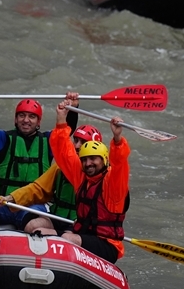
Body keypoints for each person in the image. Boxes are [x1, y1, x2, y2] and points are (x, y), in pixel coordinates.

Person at [0, 89, 78, 228]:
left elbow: (68, 129)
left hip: (32, 206)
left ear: (39, 122)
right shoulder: (3, 139)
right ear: (15, 119)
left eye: (32, 117)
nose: (26, 120)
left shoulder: (48, 141)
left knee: (35, 222)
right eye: (22, 115)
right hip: (2, 202)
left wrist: (73, 108)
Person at [48, 100, 130, 263]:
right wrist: (61, 121)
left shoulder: (113, 182)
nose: (88, 163)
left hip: (107, 244)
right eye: (85, 160)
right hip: (84, 235)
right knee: (40, 231)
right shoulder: (83, 178)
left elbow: (120, 163)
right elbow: (64, 152)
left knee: (68, 238)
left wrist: (118, 138)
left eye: (93, 159)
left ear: (104, 160)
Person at [0, 124, 102, 235]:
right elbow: (38, 188)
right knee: (32, 226)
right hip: (57, 217)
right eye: (76, 140)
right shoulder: (60, 167)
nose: (77, 146)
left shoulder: (98, 176)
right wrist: (10, 198)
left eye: (83, 142)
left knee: (68, 236)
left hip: (78, 223)